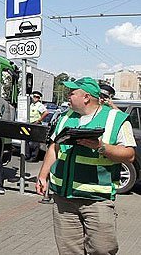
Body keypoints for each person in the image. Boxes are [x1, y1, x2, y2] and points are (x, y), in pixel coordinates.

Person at [35, 77, 136, 255]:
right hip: (63, 198)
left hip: (97, 199)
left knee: (102, 249)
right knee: (69, 251)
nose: (68, 96)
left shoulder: (116, 119)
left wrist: (100, 147)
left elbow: (129, 154)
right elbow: (54, 147)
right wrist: (42, 176)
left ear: (86, 97)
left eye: (72, 93)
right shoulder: (66, 116)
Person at [27, 91, 49, 162]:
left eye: (37, 97)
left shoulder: (40, 105)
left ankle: (34, 157)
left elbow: (46, 113)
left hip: (36, 124)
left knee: (35, 143)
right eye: (34, 96)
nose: (35, 98)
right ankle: (27, 156)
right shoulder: (31, 105)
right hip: (30, 123)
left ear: (39, 98)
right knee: (28, 141)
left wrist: (39, 120)